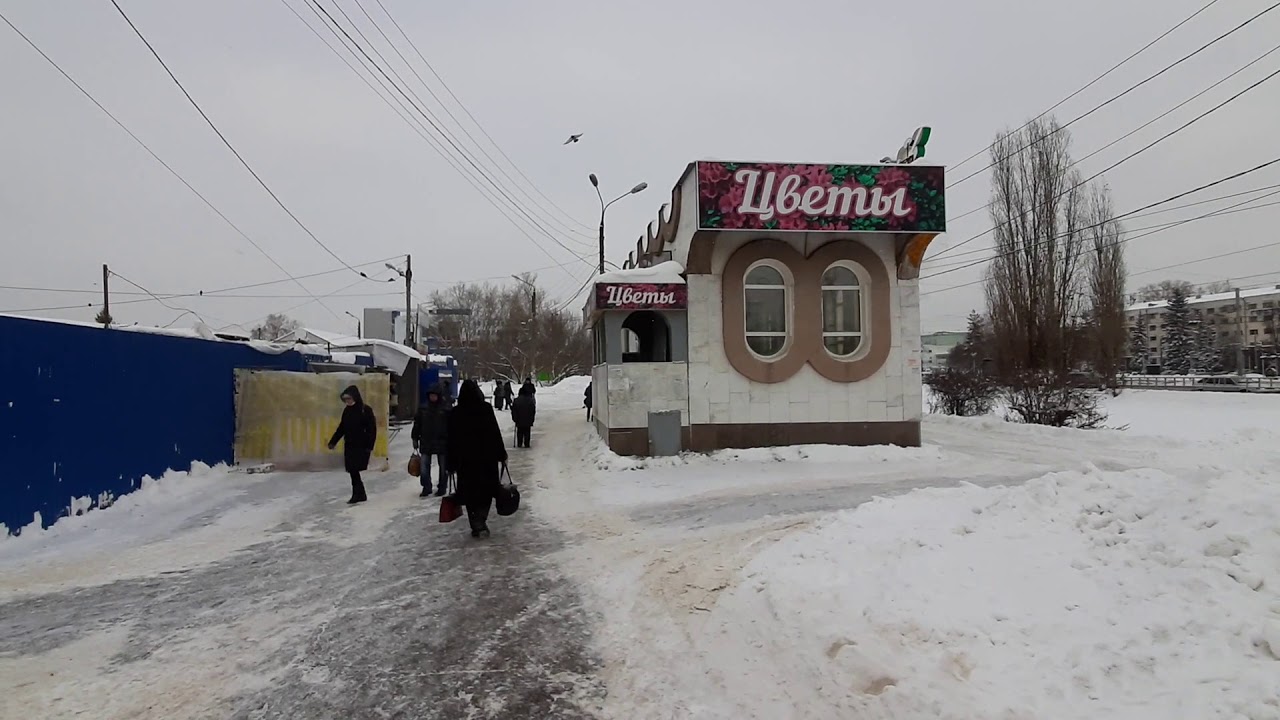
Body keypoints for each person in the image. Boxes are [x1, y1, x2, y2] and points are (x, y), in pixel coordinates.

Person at [446, 379, 508, 538]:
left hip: (465, 462)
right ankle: (481, 518)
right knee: (486, 492)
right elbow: (495, 433)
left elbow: (451, 439)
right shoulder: (485, 409)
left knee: (469, 493)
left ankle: (475, 522)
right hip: (486, 460)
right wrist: (501, 454)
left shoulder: (456, 413)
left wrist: (450, 463)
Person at [328, 385, 376, 505]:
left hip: (361, 445)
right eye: (345, 399)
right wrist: (333, 441)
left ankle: (358, 494)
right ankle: (360, 494)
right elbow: (342, 428)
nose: (347, 401)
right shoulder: (347, 411)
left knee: (354, 469)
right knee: (352, 470)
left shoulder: (365, 410)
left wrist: (369, 446)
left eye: (349, 398)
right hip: (349, 445)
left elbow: (372, 429)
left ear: (355, 397)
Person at [411, 383, 450, 498]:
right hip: (426, 441)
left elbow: (451, 426)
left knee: (443, 467)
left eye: (434, 395)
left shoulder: (446, 409)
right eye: (431, 395)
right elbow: (417, 424)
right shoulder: (423, 409)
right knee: (424, 467)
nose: (432, 397)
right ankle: (426, 487)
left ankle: (442, 487)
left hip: (442, 442)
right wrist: (414, 438)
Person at [510, 382, 537, 448]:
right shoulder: (530, 401)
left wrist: (515, 418)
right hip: (528, 419)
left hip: (519, 419)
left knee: (520, 431)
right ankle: (526, 443)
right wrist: (532, 419)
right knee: (527, 431)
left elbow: (514, 411)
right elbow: (533, 411)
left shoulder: (516, 400)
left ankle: (519, 443)